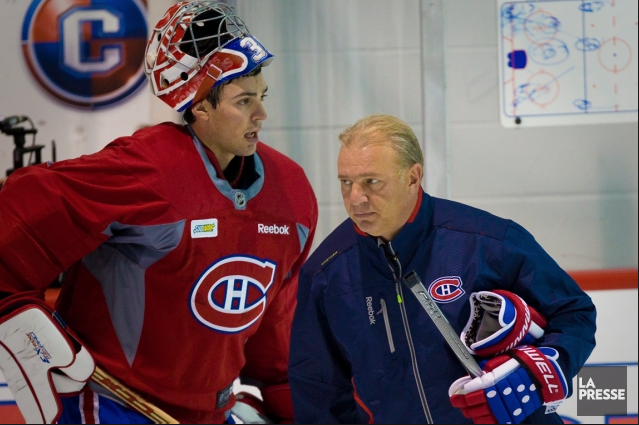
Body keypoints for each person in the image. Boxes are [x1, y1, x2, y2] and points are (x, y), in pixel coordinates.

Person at [0, 2, 317, 424]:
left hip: (212, 410)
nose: (262, 114)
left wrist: (290, 404)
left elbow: (275, 327)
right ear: (200, 107)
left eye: (262, 96)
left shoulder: (291, 192)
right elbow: (25, 205)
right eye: (243, 101)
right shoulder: (149, 170)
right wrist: (10, 304)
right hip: (118, 405)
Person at [288, 114, 596, 424]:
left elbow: (573, 313)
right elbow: (317, 393)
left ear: (412, 177)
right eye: (346, 182)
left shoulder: (488, 241)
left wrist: (541, 368)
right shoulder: (326, 274)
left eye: (371, 181)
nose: (356, 198)